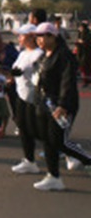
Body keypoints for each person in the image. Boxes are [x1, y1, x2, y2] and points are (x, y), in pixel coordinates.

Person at [31, 21, 91, 191]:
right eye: (38, 37)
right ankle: (53, 176)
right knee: (48, 141)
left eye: (44, 36)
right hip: (44, 104)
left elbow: (68, 83)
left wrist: (63, 104)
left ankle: (87, 159)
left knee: (58, 141)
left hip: (61, 105)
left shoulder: (64, 56)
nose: (40, 40)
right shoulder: (44, 56)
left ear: (54, 36)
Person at [10, 23, 44, 175]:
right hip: (22, 95)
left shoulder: (38, 54)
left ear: (31, 37)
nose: (19, 38)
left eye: (22, 35)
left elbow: (38, 74)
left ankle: (70, 153)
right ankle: (29, 161)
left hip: (34, 98)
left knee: (39, 131)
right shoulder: (23, 53)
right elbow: (16, 70)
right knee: (24, 129)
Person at [74, 21, 91, 88]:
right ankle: (86, 80)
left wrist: (81, 42)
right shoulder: (81, 33)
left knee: (85, 67)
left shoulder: (88, 34)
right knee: (83, 67)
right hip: (81, 52)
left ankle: (87, 80)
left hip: (86, 53)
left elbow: (87, 42)